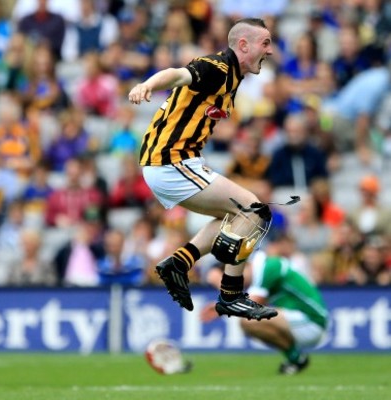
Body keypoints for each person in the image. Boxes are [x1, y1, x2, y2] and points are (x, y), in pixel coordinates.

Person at [128, 18, 279, 320]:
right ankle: (232, 295)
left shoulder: (234, 77)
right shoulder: (217, 67)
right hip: (168, 161)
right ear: (243, 45)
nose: (271, 51)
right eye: (265, 43)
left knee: (234, 216)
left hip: (178, 161)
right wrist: (147, 84)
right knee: (255, 211)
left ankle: (180, 263)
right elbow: (176, 74)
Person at [202, 232, 329, 375]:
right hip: (302, 320)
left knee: (248, 321)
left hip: (312, 321)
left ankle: (296, 358)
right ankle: (296, 360)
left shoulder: (268, 267)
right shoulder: (263, 268)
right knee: (249, 322)